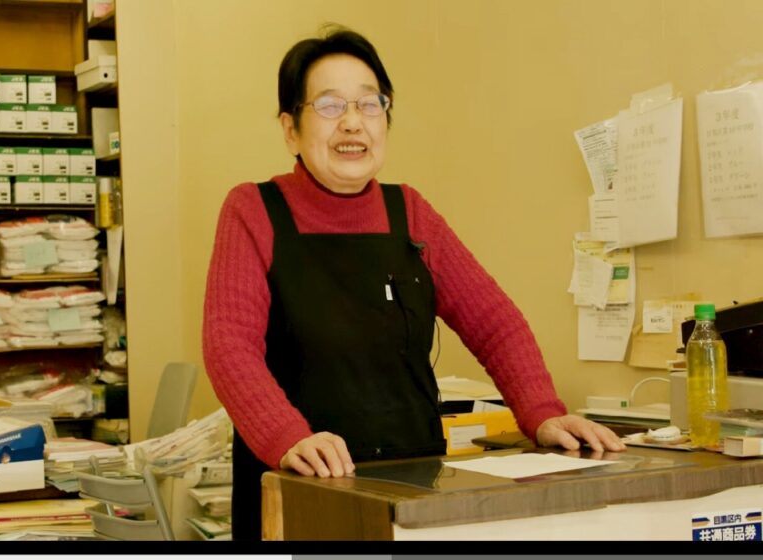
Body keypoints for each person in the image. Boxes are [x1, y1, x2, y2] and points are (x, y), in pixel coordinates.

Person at [201, 26, 625, 541]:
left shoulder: (411, 213)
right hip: (299, 482)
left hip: (413, 485)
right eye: (330, 106)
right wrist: (286, 436)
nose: (353, 122)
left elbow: (495, 322)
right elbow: (229, 344)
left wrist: (541, 413)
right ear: (291, 128)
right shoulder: (253, 210)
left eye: (370, 104)